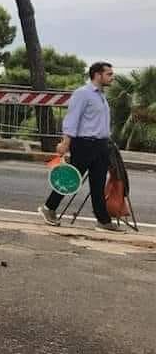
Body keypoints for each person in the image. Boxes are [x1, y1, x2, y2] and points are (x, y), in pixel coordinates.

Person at [39, 61, 122, 232]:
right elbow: (72, 119)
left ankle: (103, 221)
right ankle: (49, 208)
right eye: (109, 74)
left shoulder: (100, 95)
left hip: (101, 145)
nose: (112, 77)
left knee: (98, 183)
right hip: (84, 144)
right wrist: (65, 143)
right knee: (71, 179)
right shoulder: (82, 94)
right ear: (97, 75)